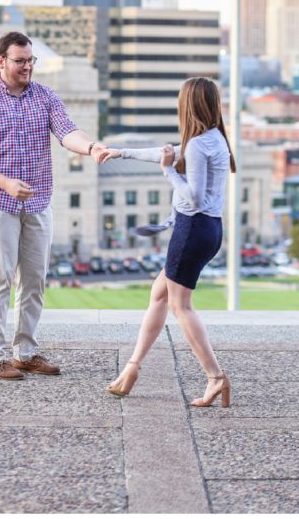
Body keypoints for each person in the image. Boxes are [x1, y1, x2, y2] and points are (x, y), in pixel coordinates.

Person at [0, 32, 111, 380]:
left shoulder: (45, 97)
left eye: (30, 60)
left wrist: (91, 148)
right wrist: (7, 183)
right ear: (1, 61)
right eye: (20, 61)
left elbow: (67, 131)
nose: (27, 66)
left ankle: (25, 352)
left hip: (39, 201)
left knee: (34, 280)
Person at [104, 76, 235, 408]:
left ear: (187, 105)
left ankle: (215, 377)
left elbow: (192, 195)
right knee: (159, 295)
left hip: (192, 228)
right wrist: (119, 152)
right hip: (209, 229)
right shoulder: (214, 138)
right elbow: (165, 152)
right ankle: (132, 369)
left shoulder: (197, 144)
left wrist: (167, 171)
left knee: (180, 305)